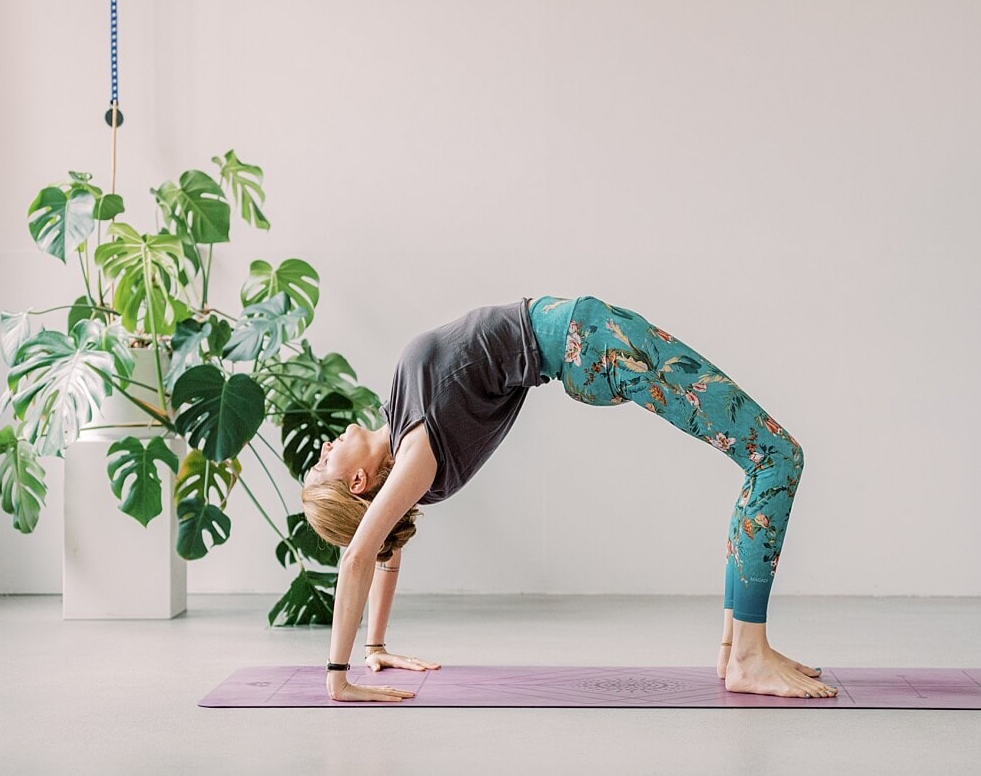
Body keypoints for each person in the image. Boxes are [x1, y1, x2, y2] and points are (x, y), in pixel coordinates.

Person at [301, 296, 837, 702]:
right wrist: (337, 676)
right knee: (775, 456)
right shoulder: (418, 449)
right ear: (357, 485)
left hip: (594, 337)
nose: (324, 447)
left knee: (765, 456)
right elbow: (361, 553)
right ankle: (747, 653)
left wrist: (375, 647)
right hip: (597, 342)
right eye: (323, 463)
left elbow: (384, 547)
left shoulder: (403, 433)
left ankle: (733, 649)